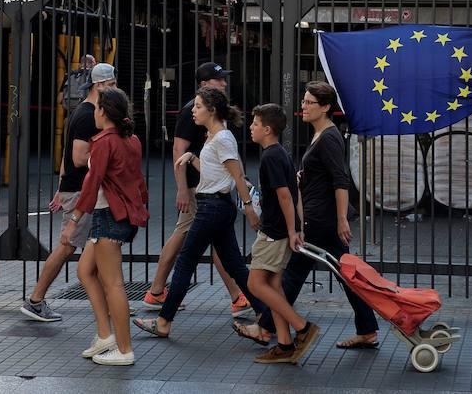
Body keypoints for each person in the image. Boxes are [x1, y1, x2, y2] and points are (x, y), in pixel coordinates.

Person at [233, 81, 380, 350]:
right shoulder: (320, 135)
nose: (303, 107)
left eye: (309, 102)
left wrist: (341, 219)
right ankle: (367, 329)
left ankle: (267, 327)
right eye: (303, 101)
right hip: (320, 216)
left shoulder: (329, 138)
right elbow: (324, 176)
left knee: (292, 274)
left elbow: (340, 179)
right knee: (343, 274)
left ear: (325, 107)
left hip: (321, 219)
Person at [132, 86, 264, 339]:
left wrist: (248, 208)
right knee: (236, 266)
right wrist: (192, 158)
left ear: (212, 110)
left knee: (185, 262)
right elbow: (216, 172)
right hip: (215, 205)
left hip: (212, 208)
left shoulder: (223, 138)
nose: (193, 111)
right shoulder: (213, 136)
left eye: (198, 106)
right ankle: (264, 317)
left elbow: (236, 174)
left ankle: (163, 322)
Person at [143, 62, 251, 318]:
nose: (224, 83)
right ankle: (158, 292)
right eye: (218, 80)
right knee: (190, 239)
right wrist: (182, 188)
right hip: (198, 187)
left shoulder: (213, 113)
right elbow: (178, 150)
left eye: (224, 79)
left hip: (206, 185)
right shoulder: (192, 111)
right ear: (204, 84)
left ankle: (236, 296)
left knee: (209, 241)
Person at [20, 62, 116, 322]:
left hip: (75, 189)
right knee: (67, 246)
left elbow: (65, 156)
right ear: (99, 85)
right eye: (111, 84)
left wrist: (61, 186)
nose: (114, 88)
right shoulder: (87, 115)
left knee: (93, 247)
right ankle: (36, 300)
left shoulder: (86, 112)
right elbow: (76, 157)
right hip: (81, 191)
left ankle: (110, 303)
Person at [61, 86, 148, 366]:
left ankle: (124, 349)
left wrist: (72, 222)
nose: (93, 112)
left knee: (113, 285)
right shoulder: (131, 139)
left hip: (106, 216)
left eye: (97, 107)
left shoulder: (103, 141)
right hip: (119, 215)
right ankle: (105, 336)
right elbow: (136, 181)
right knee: (85, 271)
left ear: (104, 111)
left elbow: (91, 183)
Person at [246, 103, 320, 365]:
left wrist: (291, 231)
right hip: (281, 230)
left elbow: (285, 195)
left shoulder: (271, 157)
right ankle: (285, 344)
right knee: (274, 286)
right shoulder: (281, 154)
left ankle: (302, 327)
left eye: (255, 124)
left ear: (267, 129)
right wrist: (298, 227)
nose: (251, 128)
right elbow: (294, 192)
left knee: (255, 284)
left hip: (273, 232)